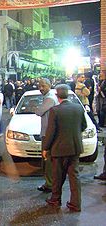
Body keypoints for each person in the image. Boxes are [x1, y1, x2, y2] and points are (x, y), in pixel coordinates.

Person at [43, 84, 87, 212]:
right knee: (74, 176)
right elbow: (83, 126)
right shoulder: (78, 108)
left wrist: (46, 148)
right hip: (74, 148)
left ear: (57, 95)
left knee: (57, 176)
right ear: (67, 94)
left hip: (59, 149)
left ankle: (56, 199)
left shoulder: (55, 110)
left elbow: (51, 132)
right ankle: (76, 203)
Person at [35, 78, 58, 193]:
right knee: (47, 159)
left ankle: (50, 184)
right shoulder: (48, 97)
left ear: (49, 85)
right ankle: (50, 183)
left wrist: (37, 108)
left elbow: (39, 112)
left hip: (48, 134)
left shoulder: (49, 98)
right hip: (47, 132)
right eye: (39, 86)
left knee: (47, 159)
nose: (41, 88)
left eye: (43, 86)